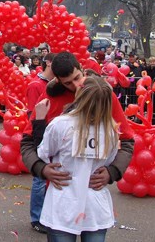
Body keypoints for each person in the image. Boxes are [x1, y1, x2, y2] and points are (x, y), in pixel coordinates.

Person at [20, 52, 134, 235]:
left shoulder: (102, 96)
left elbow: (127, 140)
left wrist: (113, 172)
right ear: (57, 80)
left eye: (77, 78)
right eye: (68, 83)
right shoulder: (49, 99)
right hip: (61, 196)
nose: (75, 86)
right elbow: (27, 142)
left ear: (82, 69)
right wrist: (40, 168)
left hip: (93, 197)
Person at [37, 76, 119, 241]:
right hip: (95, 205)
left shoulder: (60, 124)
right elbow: (109, 161)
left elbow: (43, 153)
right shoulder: (111, 130)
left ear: (79, 96)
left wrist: (39, 121)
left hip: (63, 203)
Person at [25, 53, 56, 234]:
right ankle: (37, 218)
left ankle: (47, 214)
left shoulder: (54, 85)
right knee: (39, 178)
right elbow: (32, 113)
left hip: (54, 134)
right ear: (49, 63)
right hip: (40, 133)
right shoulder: (36, 85)